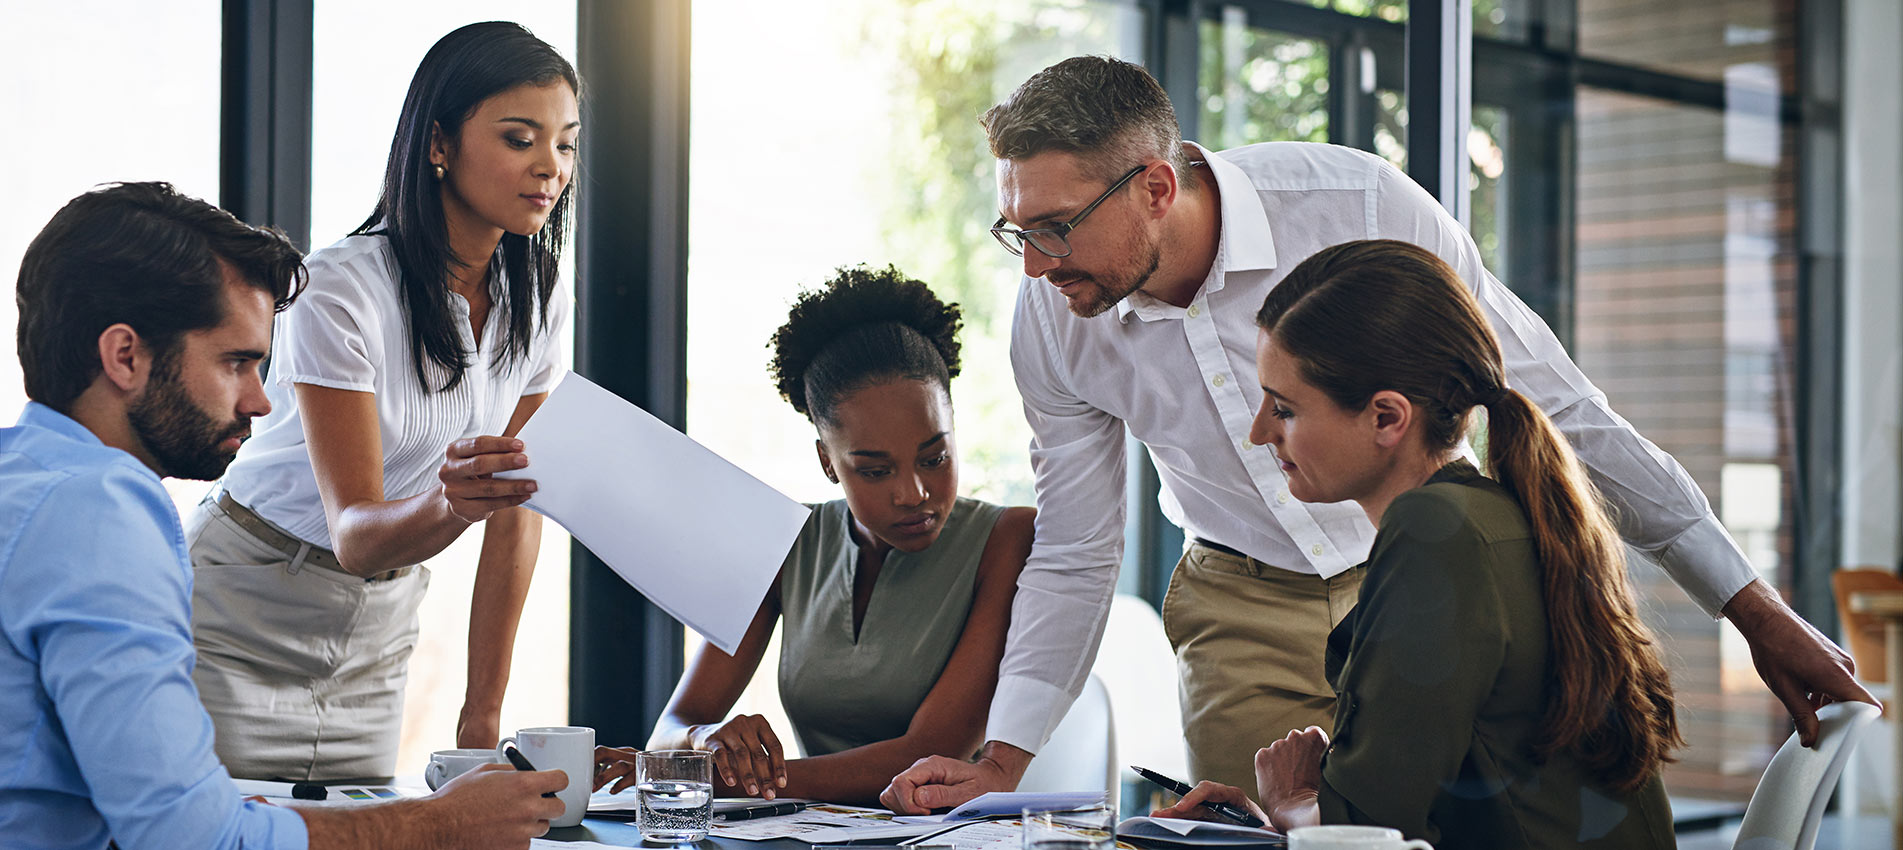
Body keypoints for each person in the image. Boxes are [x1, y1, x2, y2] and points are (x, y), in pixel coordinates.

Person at [882, 55, 1871, 809]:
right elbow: (1078, 545)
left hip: (1418, 587)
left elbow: (1556, 406)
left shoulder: (1355, 208)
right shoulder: (1055, 317)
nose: (1033, 266)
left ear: (1152, 185)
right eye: (1017, 230)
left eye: (1054, 227)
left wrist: (1752, 610)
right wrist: (1002, 759)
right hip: (1239, 608)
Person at [0, 181, 567, 850]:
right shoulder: (102, 518)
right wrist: (444, 822)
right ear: (126, 356)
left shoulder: (27, 476)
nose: (260, 402)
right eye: (236, 363)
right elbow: (194, 838)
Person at [1150, 240, 1677, 847]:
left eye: (1286, 409)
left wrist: (1293, 802)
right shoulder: (1494, 514)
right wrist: (1291, 812)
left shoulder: (1434, 533)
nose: (1259, 430)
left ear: (1386, 418)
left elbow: (1373, 834)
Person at [187, 21, 577, 780]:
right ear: (438, 143)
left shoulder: (540, 291)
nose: (549, 168)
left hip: (380, 626)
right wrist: (456, 503)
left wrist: (482, 712)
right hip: (243, 609)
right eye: (519, 138)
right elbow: (358, 532)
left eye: (564, 143)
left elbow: (517, 507)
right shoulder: (340, 287)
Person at [593, 266, 1035, 805]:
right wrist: (702, 740)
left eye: (934, 457)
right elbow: (673, 726)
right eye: (875, 470)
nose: (914, 492)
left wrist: (714, 776)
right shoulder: (786, 540)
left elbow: (929, 754)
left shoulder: (1008, 538)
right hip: (809, 836)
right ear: (828, 461)